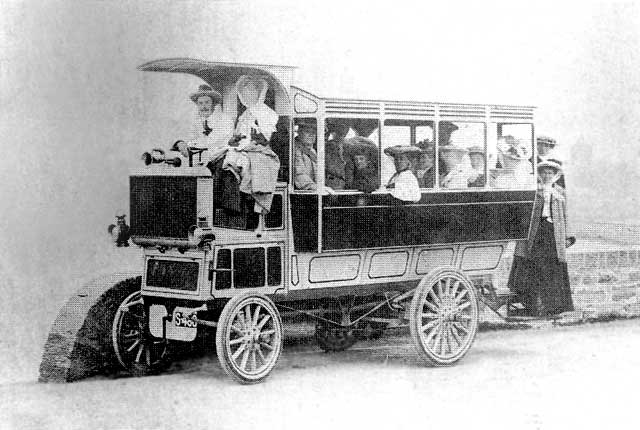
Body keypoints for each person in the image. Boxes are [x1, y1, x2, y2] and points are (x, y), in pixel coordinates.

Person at [508, 159, 575, 317]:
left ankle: (554, 307)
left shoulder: (560, 193)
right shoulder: (534, 191)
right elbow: (524, 213)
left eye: (550, 172)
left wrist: (567, 236)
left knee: (552, 269)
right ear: (540, 174)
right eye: (544, 172)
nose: (547, 175)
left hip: (553, 233)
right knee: (534, 268)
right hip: (536, 232)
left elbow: (565, 216)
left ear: (555, 175)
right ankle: (532, 306)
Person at [176, 84, 234, 163]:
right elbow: (191, 138)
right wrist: (182, 144)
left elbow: (211, 142)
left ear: (213, 103)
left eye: (207, 102)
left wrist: (189, 145)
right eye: (200, 103)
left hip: (223, 162)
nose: (204, 107)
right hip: (204, 161)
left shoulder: (225, 120)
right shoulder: (198, 122)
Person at [325, 120, 350, 190]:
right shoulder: (328, 147)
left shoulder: (349, 146)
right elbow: (328, 166)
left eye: (344, 134)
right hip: (333, 184)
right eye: (339, 133)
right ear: (333, 133)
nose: (342, 136)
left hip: (347, 183)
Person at [293, 121, 318, 190]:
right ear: (299, 133)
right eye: (307, 132)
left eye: (314, 132)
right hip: (300, 192)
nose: (311, 135)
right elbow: (299, 175)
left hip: (312, 191)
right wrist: (315, 187)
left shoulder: (313, 151)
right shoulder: (295, 150)